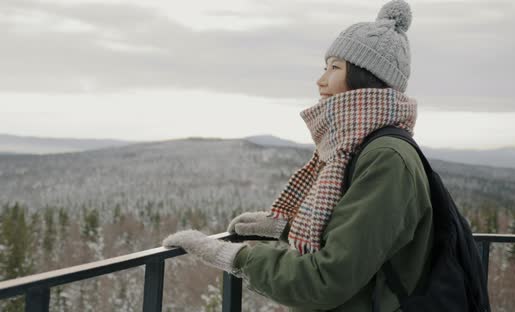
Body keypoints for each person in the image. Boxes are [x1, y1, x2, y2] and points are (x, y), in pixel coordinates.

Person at [162, 1, 434, 311]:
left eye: (334, 67)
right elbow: (356, 238)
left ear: (365, 75)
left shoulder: (386, 158)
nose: (320, 81)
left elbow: (326, 279)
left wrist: (231, 256)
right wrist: (285, 228)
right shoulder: (358, 146)